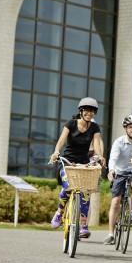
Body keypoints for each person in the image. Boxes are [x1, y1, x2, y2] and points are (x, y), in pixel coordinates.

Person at [49, 97, 104, 238]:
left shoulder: (94, 127)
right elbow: (61, 140)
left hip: (83, 162)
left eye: (92, 111)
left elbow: (97, 143)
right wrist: (56, 152)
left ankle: (83, 225)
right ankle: (59, 213)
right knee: (68, 186)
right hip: (67, 161)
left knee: (85, 191)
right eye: (86, 110)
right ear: (81, 111)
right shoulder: (71, 124)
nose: (89, 113)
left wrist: (99, 156)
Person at [103, 115, 132, 245]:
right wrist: (111, 170)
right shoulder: (119, 142)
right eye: (130, 127)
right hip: (119, 173)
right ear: (126, 129)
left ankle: (130, 210)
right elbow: (113, 158)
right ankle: (110, 234)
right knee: (115, 202)